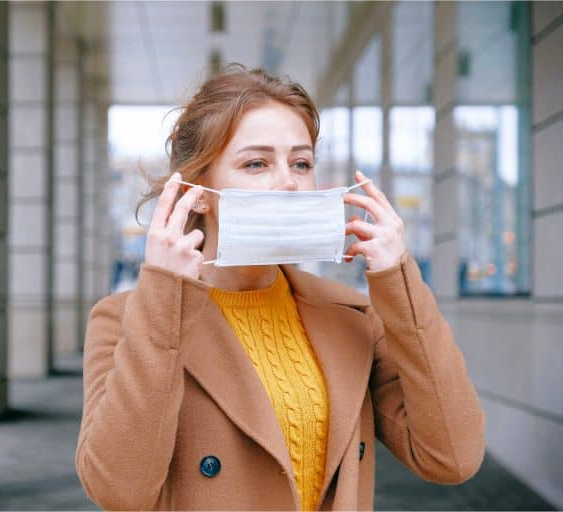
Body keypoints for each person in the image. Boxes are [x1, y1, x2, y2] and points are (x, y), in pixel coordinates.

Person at [75, 65, 485, 511]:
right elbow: (118, 489)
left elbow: (453, 458)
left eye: (301, 163)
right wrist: (163, 296)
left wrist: (398, 281)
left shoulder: (351, 315)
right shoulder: (125, 319)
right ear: (199, 191)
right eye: (256, 163)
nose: (289, 182)